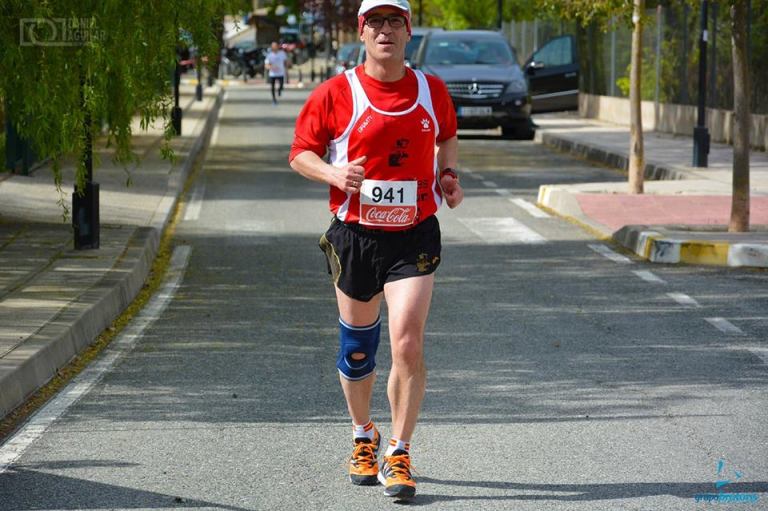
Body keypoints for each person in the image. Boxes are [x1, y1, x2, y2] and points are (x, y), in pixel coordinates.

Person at [288, 0, 463, 501]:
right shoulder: (337, 92)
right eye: (375, 23)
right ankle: (364, 434)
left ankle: (401, 451)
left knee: (408, 343)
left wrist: (447, 177)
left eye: (395, 22)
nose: (385, 31)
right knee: (358, 351)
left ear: (408, 33)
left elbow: (447, 135)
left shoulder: (431, 90)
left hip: (414, 233)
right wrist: (333, 174)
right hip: (356, 236)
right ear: (361, 32)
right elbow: (300, 152)